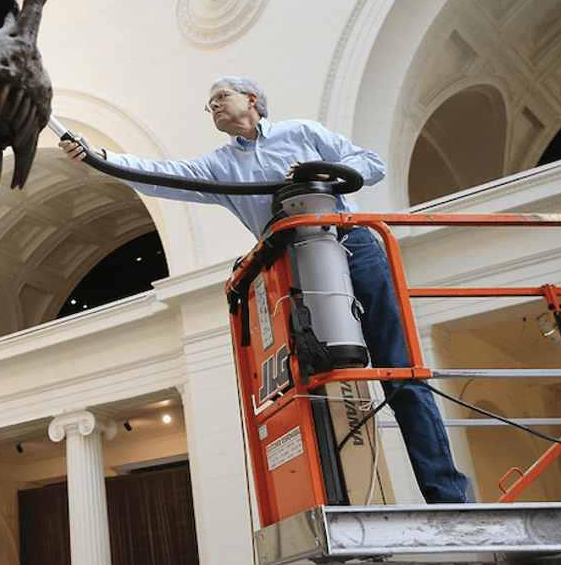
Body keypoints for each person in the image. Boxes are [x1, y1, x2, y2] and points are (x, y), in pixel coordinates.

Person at [60, 75, 469, 504]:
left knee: (398, 364)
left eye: (220, 97)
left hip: (354, 244)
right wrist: (97, 156)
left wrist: (328, 172)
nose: (213, 106)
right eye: (209, 104)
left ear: (251, 99)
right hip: (293, 268)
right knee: (309, 378)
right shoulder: (220, 167)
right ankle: (338, 498)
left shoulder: (302, 133)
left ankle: (448, 496)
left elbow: (371, 163)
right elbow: (165, 176)